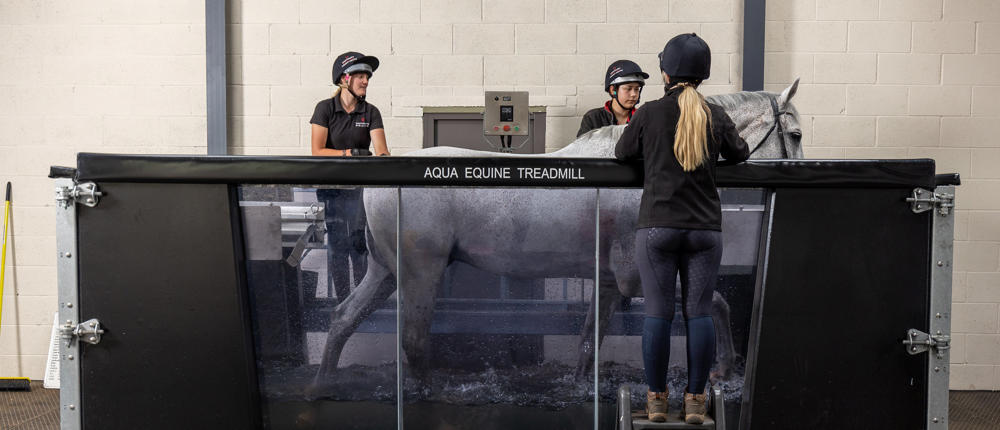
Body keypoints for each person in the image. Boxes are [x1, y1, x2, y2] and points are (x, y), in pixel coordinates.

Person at [614, 34, 749, 424]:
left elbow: (623, 152)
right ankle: (695, 402)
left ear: (665, 73)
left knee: (658, 314)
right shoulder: (715, 115)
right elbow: (740, 153)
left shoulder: (649, 113)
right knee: (699, 314)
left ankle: (657, 401)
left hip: (657, 228)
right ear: (703, 75)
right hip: (705, 231)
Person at [310, 51, 389, 303]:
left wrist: (383, 160)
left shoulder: (371, 112)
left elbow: (382, 151)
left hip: (360, 190)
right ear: (344, 79)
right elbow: (317, 151)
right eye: (360, 76)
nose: (366, 81)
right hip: (332, 190)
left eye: (367, 77)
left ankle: (358, 302)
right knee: (337, 246)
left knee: (359, 245)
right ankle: (342, 300)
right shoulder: (325, 109)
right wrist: (349, 153)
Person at [576, 60, 649, 136]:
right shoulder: (593, 118)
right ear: (613, 90)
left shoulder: (643, 119)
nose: (634, 94)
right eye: (628, 88)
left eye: (636, 89)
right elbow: (582, 143)